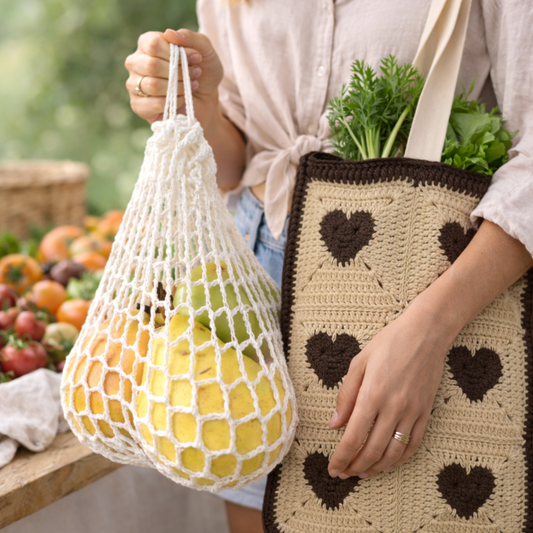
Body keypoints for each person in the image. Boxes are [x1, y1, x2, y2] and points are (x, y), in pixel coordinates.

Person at [125, 1, 533, 532]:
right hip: (254, 316)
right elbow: (238, 165)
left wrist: (429, 333)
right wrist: (197, 107)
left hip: (433, 302)